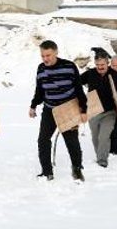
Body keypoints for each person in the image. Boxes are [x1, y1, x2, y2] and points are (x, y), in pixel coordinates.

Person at [29, 40, 87, 182]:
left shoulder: (69, 66)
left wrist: (84, 109)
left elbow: (79, 89)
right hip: (49, 109)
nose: (45, 59)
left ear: (56, 52)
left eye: (48, 55)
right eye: (42, 56)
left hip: (68, 108)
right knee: (43, 140)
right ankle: (47, 172)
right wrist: (33, 105)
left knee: (71, 141)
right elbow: (40, 90)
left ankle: (77, 169)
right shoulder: (41, 69)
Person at [80, 48, 117, 168]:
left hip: (109, 112)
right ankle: (100, 154)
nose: (100, 67)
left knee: (104, 136)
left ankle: (102, 159)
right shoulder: (90, 74)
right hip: (93, 110)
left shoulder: (115, 76)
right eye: (97, 65)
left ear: (107, 63)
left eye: (102, 64)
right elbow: (77, 82)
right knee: (95, 137)